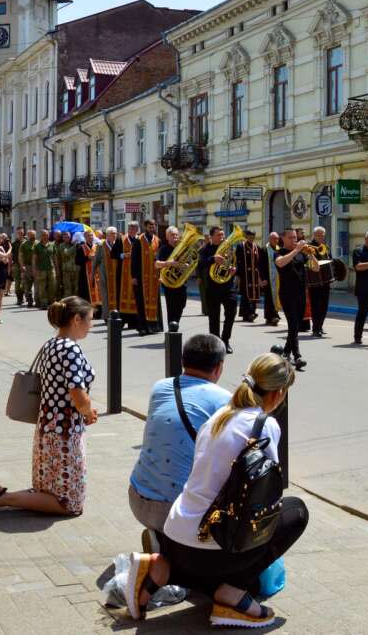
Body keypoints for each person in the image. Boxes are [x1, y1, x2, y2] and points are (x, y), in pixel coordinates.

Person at [126, 352, 306, 628]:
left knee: (203, 550)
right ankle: (231, 592)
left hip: (175, 533)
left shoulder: (219, 415)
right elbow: (263, 495)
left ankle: (162, 568)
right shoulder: (264, 424)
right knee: (295, 512)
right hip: (211, 549)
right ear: (279, 393)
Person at [0, 297, 98, 520]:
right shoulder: (71, 349)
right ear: (76, 319)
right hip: (64, 432)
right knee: (70, 503)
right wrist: (88, 411)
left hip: (47, 427)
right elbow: (77, 395)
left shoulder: (51, 344)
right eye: (90, 319)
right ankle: (0, 498)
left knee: (50, 491)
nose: (92, 324)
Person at [129, 334, 230, 536]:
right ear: (219, 367)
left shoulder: (160, 387)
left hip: (137, 497)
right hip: (177, 510)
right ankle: (171, 547)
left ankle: (162, 540)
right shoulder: (224, 400)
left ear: (183, 361)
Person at [273, 229, 309, 371]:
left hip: (301, 293)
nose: (294, 239)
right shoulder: (279, 252)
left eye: (295, 237)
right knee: (293, 324)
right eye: (290, 237)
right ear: (283, 238)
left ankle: (286, 352)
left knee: (296, 325)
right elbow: (280, 263)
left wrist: (311, 256)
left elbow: (316, 268)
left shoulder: (301, 254)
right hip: (287, 294)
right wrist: (296, 250)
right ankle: (297, 356)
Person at [200, 226, 238, 354]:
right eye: (219, 235)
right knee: (214, 317)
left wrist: (233, 269)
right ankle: (215, 343)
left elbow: (232, 263)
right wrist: (213, 259)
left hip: (228, 286)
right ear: (211, 236)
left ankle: (225, 341)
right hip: (212, 287)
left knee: (231, 313)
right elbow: (200, 264)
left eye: (222, 235)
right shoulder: (206, 249)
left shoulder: (228, 248)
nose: (222, 237)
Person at [133, 219, 163, 335]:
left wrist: (161, 275)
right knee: (141, 302)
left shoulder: (157, 240)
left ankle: (155, 327)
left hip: (154, 276)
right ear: (145, 227)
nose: (152, 228)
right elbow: (134, 260)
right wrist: (134, 276)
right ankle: (143, 327)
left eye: (154, 226)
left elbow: (160, 259)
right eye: (150, 226)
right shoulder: (138, 240)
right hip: (141, 276)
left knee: (155, 301)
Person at [156, 226, 188, 329]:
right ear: (167, 237)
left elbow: (190, 262)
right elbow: (156, 264)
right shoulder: (163, 249)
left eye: (176, 234)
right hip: (168, 283)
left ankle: (175, 324)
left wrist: (187, 266)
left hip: (181, 281)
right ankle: (172, 330)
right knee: (171, 308)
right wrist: (170, 263)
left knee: (182, 304)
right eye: (172, 235)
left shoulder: (183, 248)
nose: (175, 237)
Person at [236, 230, 264, 323]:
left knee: (255, 295)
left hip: (255, 275)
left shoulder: (257, 247)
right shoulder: (241, 246)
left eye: (253, 237)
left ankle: (252, 312)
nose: (252, 238)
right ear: (246, 236)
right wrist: (238, 276)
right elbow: (238, 262)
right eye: (250, 236)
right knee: (246, 295)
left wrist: (260, 276)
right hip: (245, 275)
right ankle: (246, 314)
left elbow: (260, 263)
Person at [262, 232, 281, 326]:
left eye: (277, 238)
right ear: (269, 239)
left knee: (276, 297)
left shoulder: (279, 249)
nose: (276, 240)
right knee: (269, 298)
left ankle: (275, 315)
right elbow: (259, 265)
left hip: (277, 278)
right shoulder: (265, 249)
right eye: (274, 238)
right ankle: (270, 317)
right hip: (268, 278)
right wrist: (262, 278)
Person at [34, 230, 55, 310]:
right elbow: (34, 259)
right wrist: (34, 269)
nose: (45, 236)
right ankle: (44, 303)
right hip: (41, 269)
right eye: (43, 235)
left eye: (46, 235)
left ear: (48, 235)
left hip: (51, 268)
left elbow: (55, 258)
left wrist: (57, 268)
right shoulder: (37, 246)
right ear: (41, 236)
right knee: (42, 287)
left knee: (52, 286)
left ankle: (51, 302)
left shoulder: (52, 245)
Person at [18, 229, 36, 308]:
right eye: (30, 235)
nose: (32, 236)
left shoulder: (38, 243)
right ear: (28, 236)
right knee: (27, 285)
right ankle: (29, 301)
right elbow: (20, 256)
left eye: (33, 235)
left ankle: (38, 300)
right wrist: (22, 266)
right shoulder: (24, 244)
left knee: (38, 285)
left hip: (37, 267)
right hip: (28, 267)